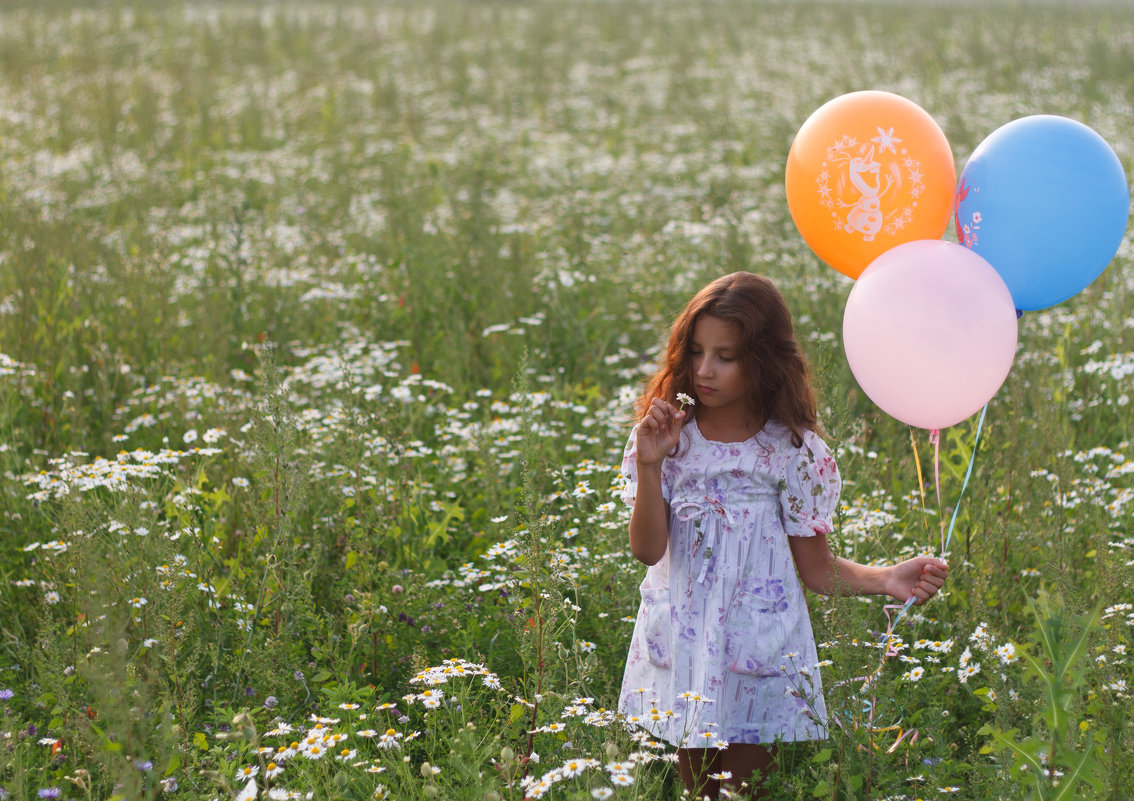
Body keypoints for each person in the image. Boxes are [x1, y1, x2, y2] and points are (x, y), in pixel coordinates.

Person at [616, 272, 948, 799]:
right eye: (697, 351)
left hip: (758, 648)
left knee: (746, 792)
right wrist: (652, 466)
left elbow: (817, 571)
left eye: (726, 356)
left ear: (764, 359)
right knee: (701, 792)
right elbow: (647, 550)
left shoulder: (793, 451)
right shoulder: (668, 440)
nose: (705, 370)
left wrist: (887, 578)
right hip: (687, 642)